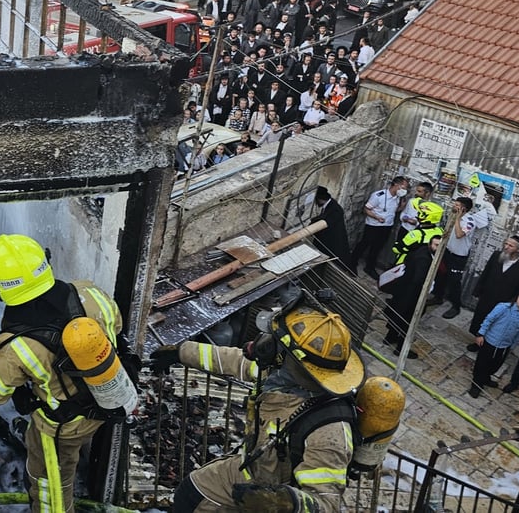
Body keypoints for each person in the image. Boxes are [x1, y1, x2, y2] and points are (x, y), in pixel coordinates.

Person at [149, 299, 364, 513]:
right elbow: (232, 360)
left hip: (271, 496)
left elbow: (326, 504)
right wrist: (181, 352)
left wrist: (283, 502)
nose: (264, 343)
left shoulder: (329, 433)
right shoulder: (281, 376)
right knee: (190, 493)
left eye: (275, 341)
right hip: (250, 469)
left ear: (289, 358)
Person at [0, 234, 132, 513]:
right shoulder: (90, 293)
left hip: (63, 428)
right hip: (108, 400)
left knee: (50, 487)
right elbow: (117, 328)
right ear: (46, 264)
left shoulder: (18, 346)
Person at [384, 235, 443, 359]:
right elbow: (418, 280)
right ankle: (400, 349)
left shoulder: (423, 251)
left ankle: (389, 338)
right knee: (408, 322)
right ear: (430, 244)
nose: (438, 248)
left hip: (404, 291)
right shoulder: (424, 259)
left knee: (398, 314)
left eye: (440, 245)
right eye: (436, 245)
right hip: (411, 295)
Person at [468, 235, 519, 344]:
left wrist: (512, 303)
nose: (506, 247)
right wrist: (478, 290)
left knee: (496, 324)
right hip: (487, 296)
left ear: (518, 250)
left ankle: (487, 344)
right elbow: (486, 273)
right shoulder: (496, 256)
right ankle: (477, 341)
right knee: (481, 319)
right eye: (506, 244)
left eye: (510, 246)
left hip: (505, 302)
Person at [469, 288, 519, 398]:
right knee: (482, 364)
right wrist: (481, 334)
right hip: (490, 340)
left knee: (496, 364)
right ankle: (476, 385)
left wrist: (512, 345)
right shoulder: (504, 307)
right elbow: (489, 319)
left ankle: (486, 378)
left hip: (504, 345)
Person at [433, 197, 481, 319]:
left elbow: (459, 235)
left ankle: (456, 306)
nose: (454, 206)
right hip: (448, 251)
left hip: (458, 256)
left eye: (457, 205)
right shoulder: (453, 216)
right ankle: (438, 297)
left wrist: (458, 218)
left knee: (454, 282)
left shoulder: (469, 221)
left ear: (463, 208)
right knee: (441, 275)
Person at [353, 176, 408, 278]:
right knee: (364, 244)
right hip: (373, 225)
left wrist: (402, 207)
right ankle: (352, 262)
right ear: (396, 185)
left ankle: (369, 267)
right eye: (403, 187)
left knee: (377, 247)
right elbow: (366, 209)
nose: (404, 191)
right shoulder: (379, 196)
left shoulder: (398, 198)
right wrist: (376, 217)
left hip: (387, 226)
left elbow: (392, 211)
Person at [311, 186, 352, 270]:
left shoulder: (335, 210)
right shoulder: (331, 205)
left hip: (332, 241)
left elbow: (326, 222)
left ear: (319, 200)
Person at [390, 201, 444, 265]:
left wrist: (397, 244)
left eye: (419, 213)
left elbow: (397, 249)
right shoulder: (440, 231)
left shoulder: (416, 234)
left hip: (406, 264)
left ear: (425, 216)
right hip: (426, 265)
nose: (417, 214)